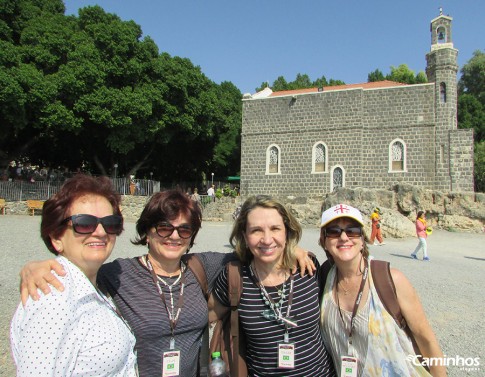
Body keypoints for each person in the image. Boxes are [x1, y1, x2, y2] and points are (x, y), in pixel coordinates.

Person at [19, 190, 314, 376]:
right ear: (146, 231)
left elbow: (259, 252)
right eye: (164, 228)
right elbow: (81, 269)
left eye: (184, 230)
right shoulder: (117, 274)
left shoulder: (203, 266)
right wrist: (36, 266)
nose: (174, 236)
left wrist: (292, 249)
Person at [10, 174, 137, 376]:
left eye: (110, 223)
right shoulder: (53, 300)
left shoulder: (93, 286)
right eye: (85, 223)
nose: (101, 232)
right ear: (56, 237)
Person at [210, 195, 336, 376]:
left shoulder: (308, 268)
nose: (267, 239)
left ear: (287, 232)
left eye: (275, 229)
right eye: (256, 231)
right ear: (245, 236)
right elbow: (202, 317)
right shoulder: (235, 278)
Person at [319, 203, 446, 377]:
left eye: (352, 230)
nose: (343, 237)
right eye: (333, 231)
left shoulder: (391, 280)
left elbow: (427, 341)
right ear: (324, 241)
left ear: (362, 239)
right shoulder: (324, 278)